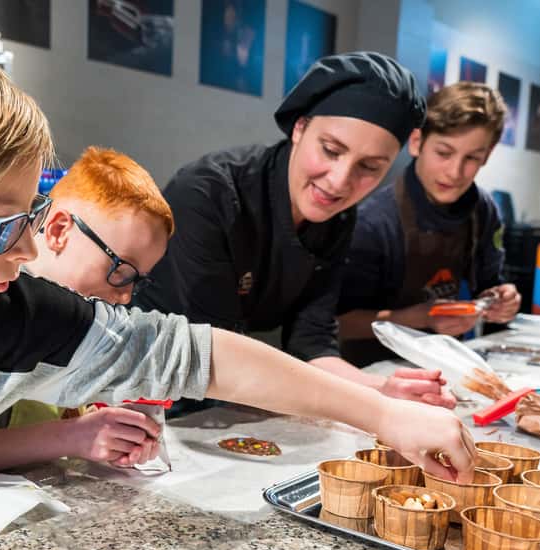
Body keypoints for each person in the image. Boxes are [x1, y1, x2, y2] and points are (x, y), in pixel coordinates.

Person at [0, 38, 473, 529]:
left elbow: (200, 354)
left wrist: (383, 414)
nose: (29, 248)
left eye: (32, 217)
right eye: (4, 225)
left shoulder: (7, 313)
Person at [135, 52, 454, 409]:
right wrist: (373, 411)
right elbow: (218, 354)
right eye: (331, 150)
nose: (340, 181)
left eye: (370, 167)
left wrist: (382, 390)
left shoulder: (337, 219)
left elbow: (312, 342)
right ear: (300, 128)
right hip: (141, 394)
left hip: (222, 395)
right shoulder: (209, 193)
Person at [0, 145, 175, 473]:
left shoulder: (78, 327)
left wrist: (110, 429)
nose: (126, 296)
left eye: (137, 281)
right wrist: (72, 437)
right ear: (59, 231)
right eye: (120, 270)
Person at [337, 82, 520, 366]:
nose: (455, 172)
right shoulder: (373, 222)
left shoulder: (483, 210)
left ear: (487, 155)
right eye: (444, 153)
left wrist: (500, 299)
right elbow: (339, 323)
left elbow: (489, 283)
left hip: (446, 364)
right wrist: (419, 317)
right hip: (372, 369)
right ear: (416, 142)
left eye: (472, 158)